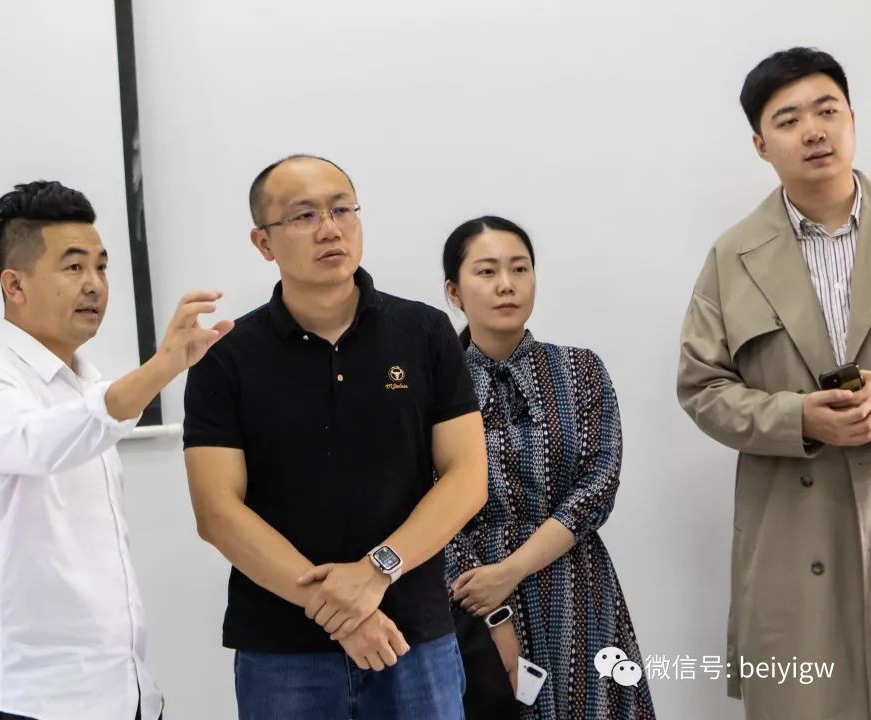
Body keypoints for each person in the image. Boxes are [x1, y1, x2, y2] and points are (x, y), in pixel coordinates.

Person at [182, 154, 488, 719]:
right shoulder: (226, 356)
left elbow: (467, 478)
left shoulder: (424, 331)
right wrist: (341, 610)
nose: (329, 228)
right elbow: (217, 513)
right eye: (304, 216)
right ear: (263, 241)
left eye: (342, 209)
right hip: (282, 648)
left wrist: (376, 571)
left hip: (413, 637)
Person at [0, 180, 232, 720]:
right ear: (14, 284)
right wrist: (162, 366)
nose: (94, 284)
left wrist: (140, 690)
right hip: (27, 702)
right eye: (73, 267)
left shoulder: (88, 385)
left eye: (101, 266)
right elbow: (40, 445)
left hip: (121, 698)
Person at [678, 47, 871, 719]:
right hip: (793, 533)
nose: (814, 131)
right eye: (789, 120)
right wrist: (798, 419)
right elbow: (701, 387)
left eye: (827, 110)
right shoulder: (733, 256)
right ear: (761, 145)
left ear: (852, 118)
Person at [442, 216, 656, 719]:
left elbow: (598, 485)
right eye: (487, 271)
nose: (506, 284)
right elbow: (424, 497)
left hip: (574, 584)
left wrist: (511, 571)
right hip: (470, 594)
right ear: (454, 291)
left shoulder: (580, 369)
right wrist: (488, 602)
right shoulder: (436, 386)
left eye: (520, 269)